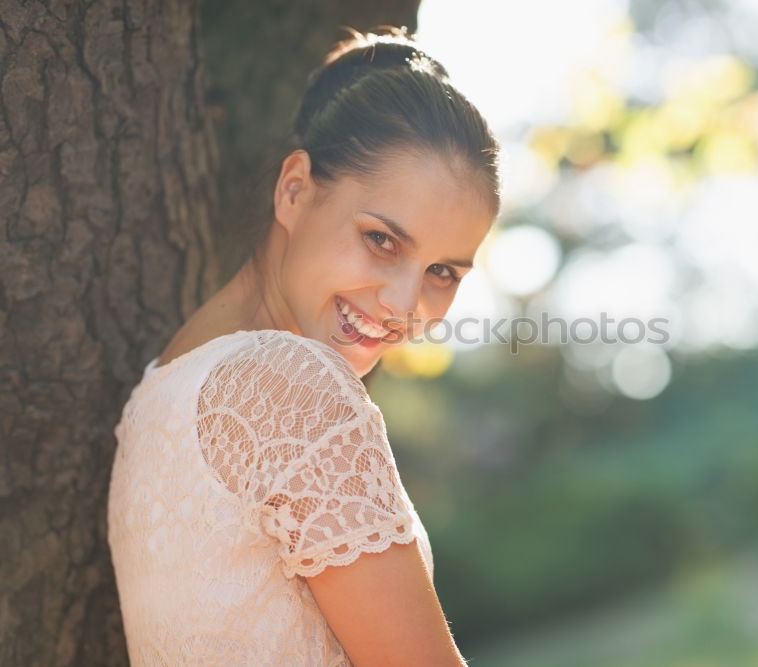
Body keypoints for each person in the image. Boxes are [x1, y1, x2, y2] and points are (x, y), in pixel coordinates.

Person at [106, 27, 500, 666]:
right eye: (381, 240)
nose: (404, 305)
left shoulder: (160, 389)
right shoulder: (289, 382)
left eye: (443, 272)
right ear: (294, 190)